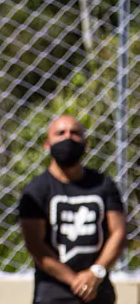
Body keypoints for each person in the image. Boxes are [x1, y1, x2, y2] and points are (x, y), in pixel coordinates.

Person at [19, 115, 127, 304]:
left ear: (85, 143)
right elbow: (35, 245)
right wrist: (76, 281)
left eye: (75, 133)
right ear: (47, 144)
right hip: (53, 295)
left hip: (99, 292)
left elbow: (118, 231)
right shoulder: (36, 189)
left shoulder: (103, 184)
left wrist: (96, 272)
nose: (68, 138)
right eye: (60, 133)